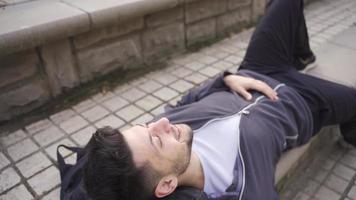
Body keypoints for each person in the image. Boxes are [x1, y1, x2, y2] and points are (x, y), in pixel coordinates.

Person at [82, 0, 356, 199]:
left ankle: (302, 56)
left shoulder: (169, 130)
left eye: (146, 126)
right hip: (303, 100)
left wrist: (225, 79)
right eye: (156, 139)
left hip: (257, 68)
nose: (162, 122)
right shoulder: (244, 191)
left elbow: (185, 100)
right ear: (166, 184)